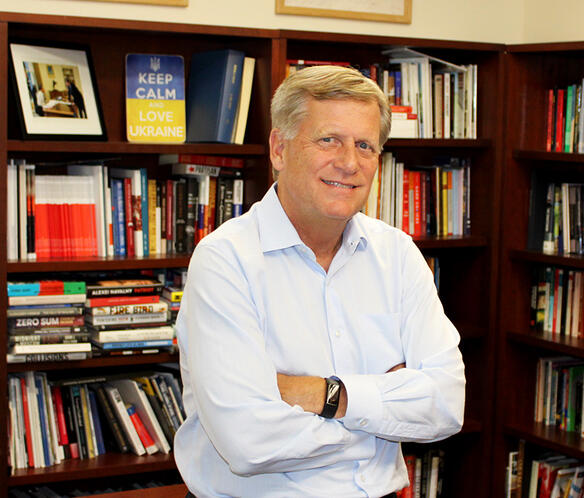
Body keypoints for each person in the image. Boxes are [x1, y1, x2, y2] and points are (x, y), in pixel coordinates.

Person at [174, 65, 466, 497]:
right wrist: (383, 419)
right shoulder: (225, 260)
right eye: (329, 140)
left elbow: (446, 406)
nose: (349, 163)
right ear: (279, 148)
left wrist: (323, 395)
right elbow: (248, 443)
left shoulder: (397, 254)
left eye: (365, 145)